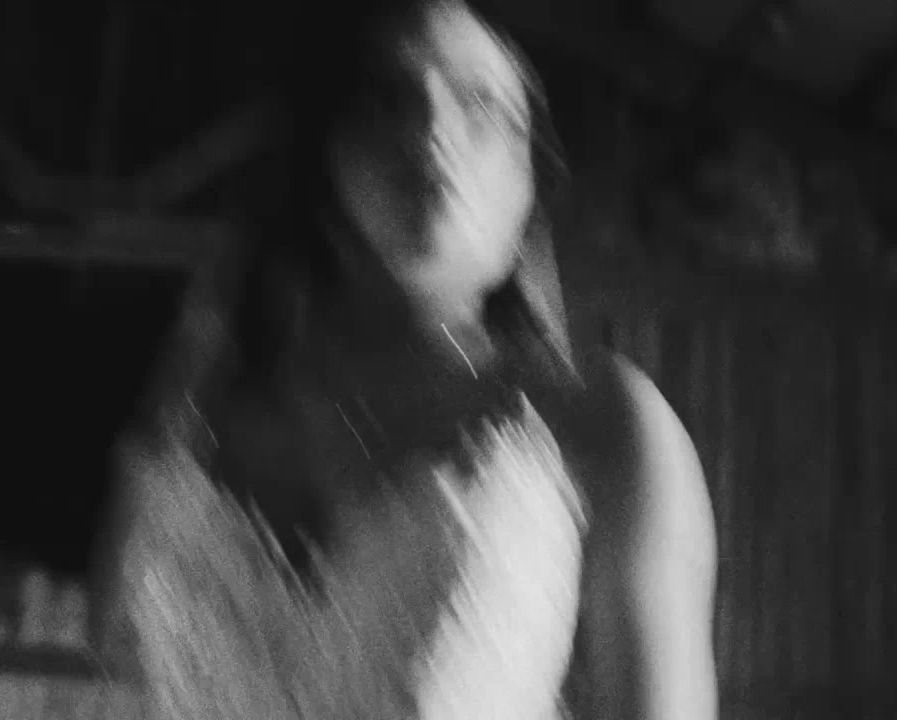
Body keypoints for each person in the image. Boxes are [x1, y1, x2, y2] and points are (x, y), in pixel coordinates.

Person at [100, 1, 717, 718]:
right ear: (324, 148)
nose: (432, 130)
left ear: (529, 176)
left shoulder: (601, 423)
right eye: (389, 97)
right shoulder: (199, 410)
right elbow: (112, 631)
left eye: (481, 105)